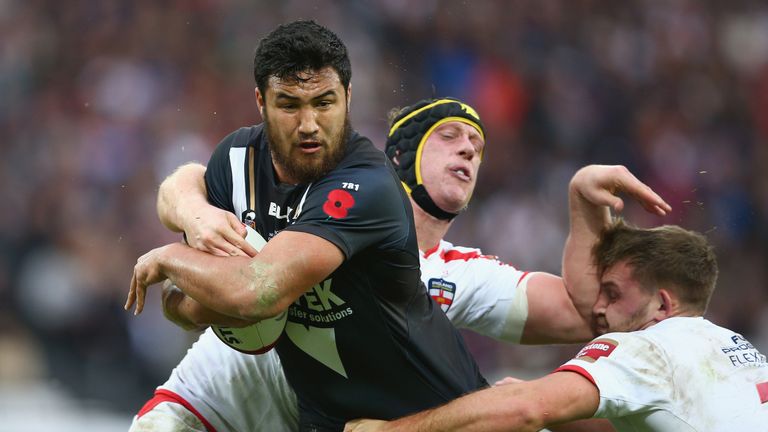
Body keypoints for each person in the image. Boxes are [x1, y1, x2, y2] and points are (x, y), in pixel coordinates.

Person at [129, 96, 669, 431]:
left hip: (320, 416)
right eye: (451, 137)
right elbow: (191, 176)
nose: (468, 152)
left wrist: (582, 207)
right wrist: (195, 216)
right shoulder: (323, 191)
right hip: (225, 388)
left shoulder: (462, 272)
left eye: (478, 147)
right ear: (399, 156)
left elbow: (585, 313)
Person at [125, 20, 488, 432]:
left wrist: (175, 259)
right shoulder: (237, 160)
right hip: (330, 422)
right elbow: (187, 296)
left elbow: (256, 293)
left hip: (432, 415)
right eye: (290, 105)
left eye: (324, 102)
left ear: (348, 97)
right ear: (260, 101)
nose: (310, 124)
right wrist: (196, 220)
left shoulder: (366, 184)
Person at [344, 219, 768, 432]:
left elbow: (529, 411)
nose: (596, 310)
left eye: (613, 294)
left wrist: (392, 430)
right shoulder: (732, 347)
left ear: (661, 305)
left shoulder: (648, 349)